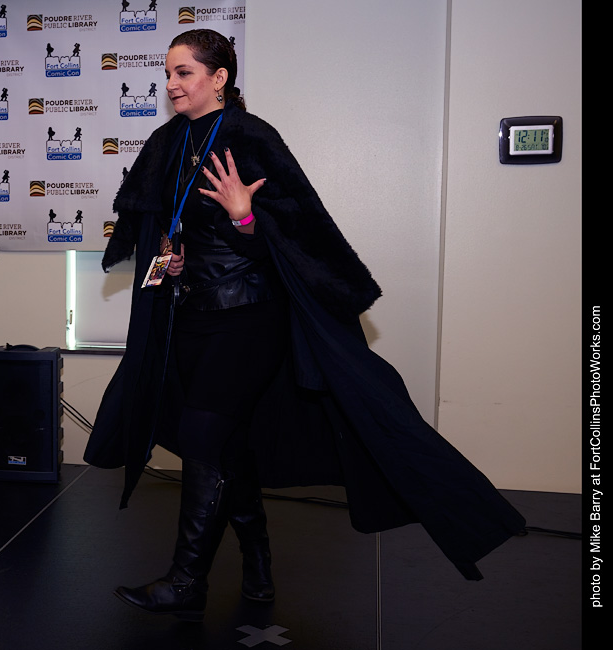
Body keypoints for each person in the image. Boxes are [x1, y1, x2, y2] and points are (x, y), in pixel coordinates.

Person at [85, 29, 525, 622]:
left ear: (219, 78)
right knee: (227, 445)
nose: (171, 84)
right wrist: (175, 253)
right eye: (167, 73)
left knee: (202, 437)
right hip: (190, 317)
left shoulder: (251, 137)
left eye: (184, 72)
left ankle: (186, 582)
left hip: (250, 318)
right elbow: (162, 223)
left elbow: (295, 238)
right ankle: (258, 565)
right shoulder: (168, 142)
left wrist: (245, 219)